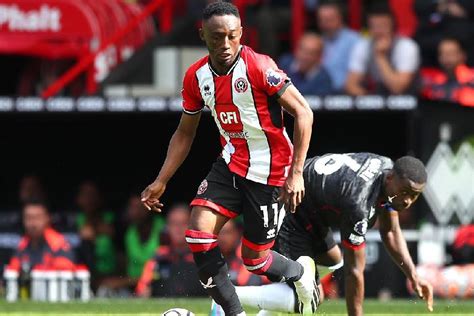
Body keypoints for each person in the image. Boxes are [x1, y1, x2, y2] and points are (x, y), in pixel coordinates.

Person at [140, 2, 314, 315]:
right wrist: (161, 180)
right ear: (202, 35)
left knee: (255, 259)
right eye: (217, 36)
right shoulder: (196, 77)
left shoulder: (260, 67)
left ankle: (301, 274)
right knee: (197, 234)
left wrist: (297, 173)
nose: (225, 44)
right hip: (231, 163)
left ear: (241, 34)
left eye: (232, 36)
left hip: (271, 172)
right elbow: (184, 133)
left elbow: (303, 112)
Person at [212, 153, 434, 315]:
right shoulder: (359, 202)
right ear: (390, 179)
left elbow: (391, 230)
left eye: (414, 196)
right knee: (307, 303)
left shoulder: (388, 168)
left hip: (310, 213)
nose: (407, 200)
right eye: (405, 192)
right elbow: (355, 271)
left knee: (332, 261)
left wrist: (413, 276)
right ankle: (227, 296)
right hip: (290, 210)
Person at [345, 5, 420, 96]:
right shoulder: (363, 46)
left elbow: (398, 88)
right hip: (376, 98)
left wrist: (381, 57)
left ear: (393, 28)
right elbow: (350, 85)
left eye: (383, 26)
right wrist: (370, 102)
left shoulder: (406, 46)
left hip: (408, 102)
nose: (379, 31)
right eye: (374, 26)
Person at [135, 204, 205, 297]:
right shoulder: (158, 257)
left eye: (183, 223)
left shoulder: (203, 256)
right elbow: (142, 291)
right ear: (167, 227)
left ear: (192, 226)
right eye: (174, 224)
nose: (178, 228)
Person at [7, 200, 75, 273]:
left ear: (47, 219)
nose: (33, 223)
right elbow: (12, 272)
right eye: (28, 218)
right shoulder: (22, 244)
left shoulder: (58, 243)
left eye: (37, 217)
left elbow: (64, 272)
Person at [75, 181, 117, 286]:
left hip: (110, 276)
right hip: (82, 276)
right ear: (78, 199)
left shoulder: (111, 219)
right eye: (86, 195)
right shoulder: (76, 220)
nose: (89, 200)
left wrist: (95, 231)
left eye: (92, 195)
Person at [316, 0, 360, 92]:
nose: (325, 24)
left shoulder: (355, 41)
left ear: (340, 18)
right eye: (322, 20)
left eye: (329, 20)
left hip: (344, 93)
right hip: (320, 92)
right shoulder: (318, 41)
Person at [420, 38, 474, 107]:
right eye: (442, 54)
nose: (446, 57)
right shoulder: (433, 83)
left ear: (463, 55)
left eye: (451, 53)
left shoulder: (472, 78)